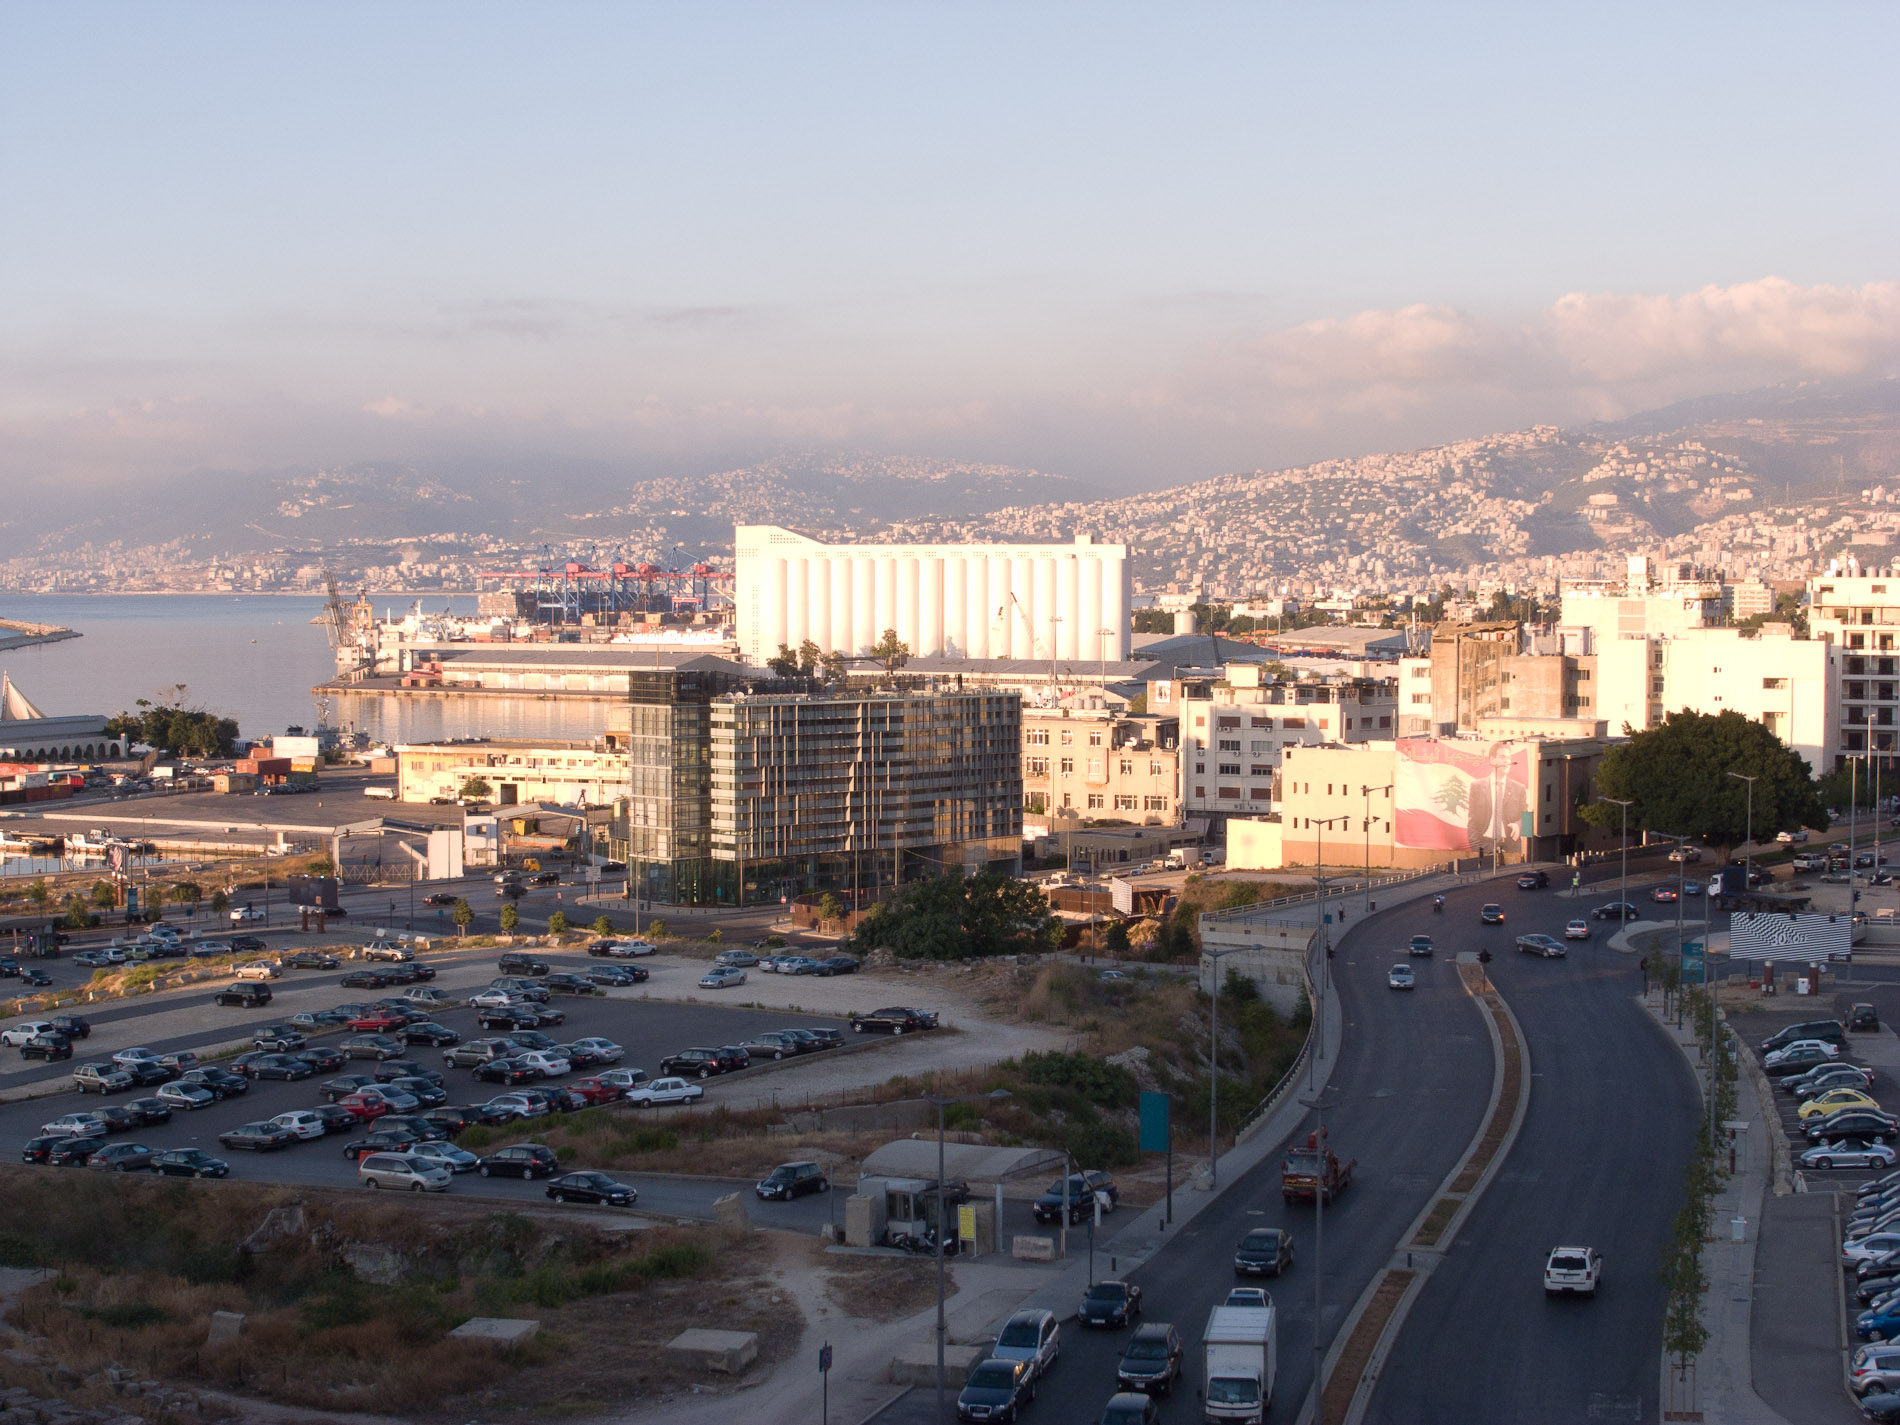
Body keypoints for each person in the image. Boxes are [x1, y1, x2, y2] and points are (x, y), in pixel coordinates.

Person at [1466, 743, 1528, 858]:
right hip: (1485, 846)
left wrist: (1518, 825)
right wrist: (1476, 847)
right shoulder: (1477, 787)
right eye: (1502, 757)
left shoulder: (1519, 788)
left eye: (1509, 758)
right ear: (1492, 760)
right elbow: (1472, 821)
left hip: (1512, 848)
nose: (1507, 762)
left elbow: (1528, 821)